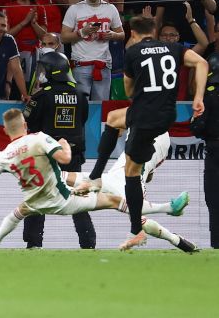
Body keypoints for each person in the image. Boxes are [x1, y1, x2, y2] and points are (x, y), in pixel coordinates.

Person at [0, 109, 191, 252]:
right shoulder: (39, 139)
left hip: (34, 203)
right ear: (25, 126)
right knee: (115, 201)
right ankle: (171, 230)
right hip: (62, 200)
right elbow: (65, 158)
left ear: (8, 131)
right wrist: (65, 144)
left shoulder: (4, 154)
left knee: (15, 214)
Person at [85, 16, 207, 250]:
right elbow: (201, 63)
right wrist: (198, 97)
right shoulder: (174, 48)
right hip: (166, 116)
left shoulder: (132, 53)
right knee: (114, 119)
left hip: (144, 116)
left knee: (131, 172)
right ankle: (96, 177)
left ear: (133, 34)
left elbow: (129, 91)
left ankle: (136, 229)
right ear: (156, 31)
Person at [67, 132, 199, 252]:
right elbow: (150, 176)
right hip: (123, 179)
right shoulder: (164, 142)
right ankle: (175, 234)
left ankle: (170, 213)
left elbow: (115, 130)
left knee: (67, 177)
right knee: (138, 220)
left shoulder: (137, 117)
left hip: (125, 179)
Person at [21, 52, 96, 249]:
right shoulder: (80, 95)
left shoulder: (41, 96)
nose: (40, 74)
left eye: (43, 70)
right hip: (74, 156)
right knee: (78, 199)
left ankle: (33, 243)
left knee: (37, 197)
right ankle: (88, 243)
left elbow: (30, 121)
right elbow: (83, 119)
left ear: (51, 72)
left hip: (47, 156)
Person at [61, 0, 124, 101]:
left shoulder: (111, 9)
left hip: (103, 65)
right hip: (80, 65)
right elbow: (63, 37)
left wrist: (112, 35)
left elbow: (122, 35)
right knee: (80, 108)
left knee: (100, 107)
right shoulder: (75, 9)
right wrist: (82, 32)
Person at [190, 53, 219, 248]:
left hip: (214, 150)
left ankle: (217, 246)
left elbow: (198, 127)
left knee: (215, 203)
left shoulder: (208, 93)